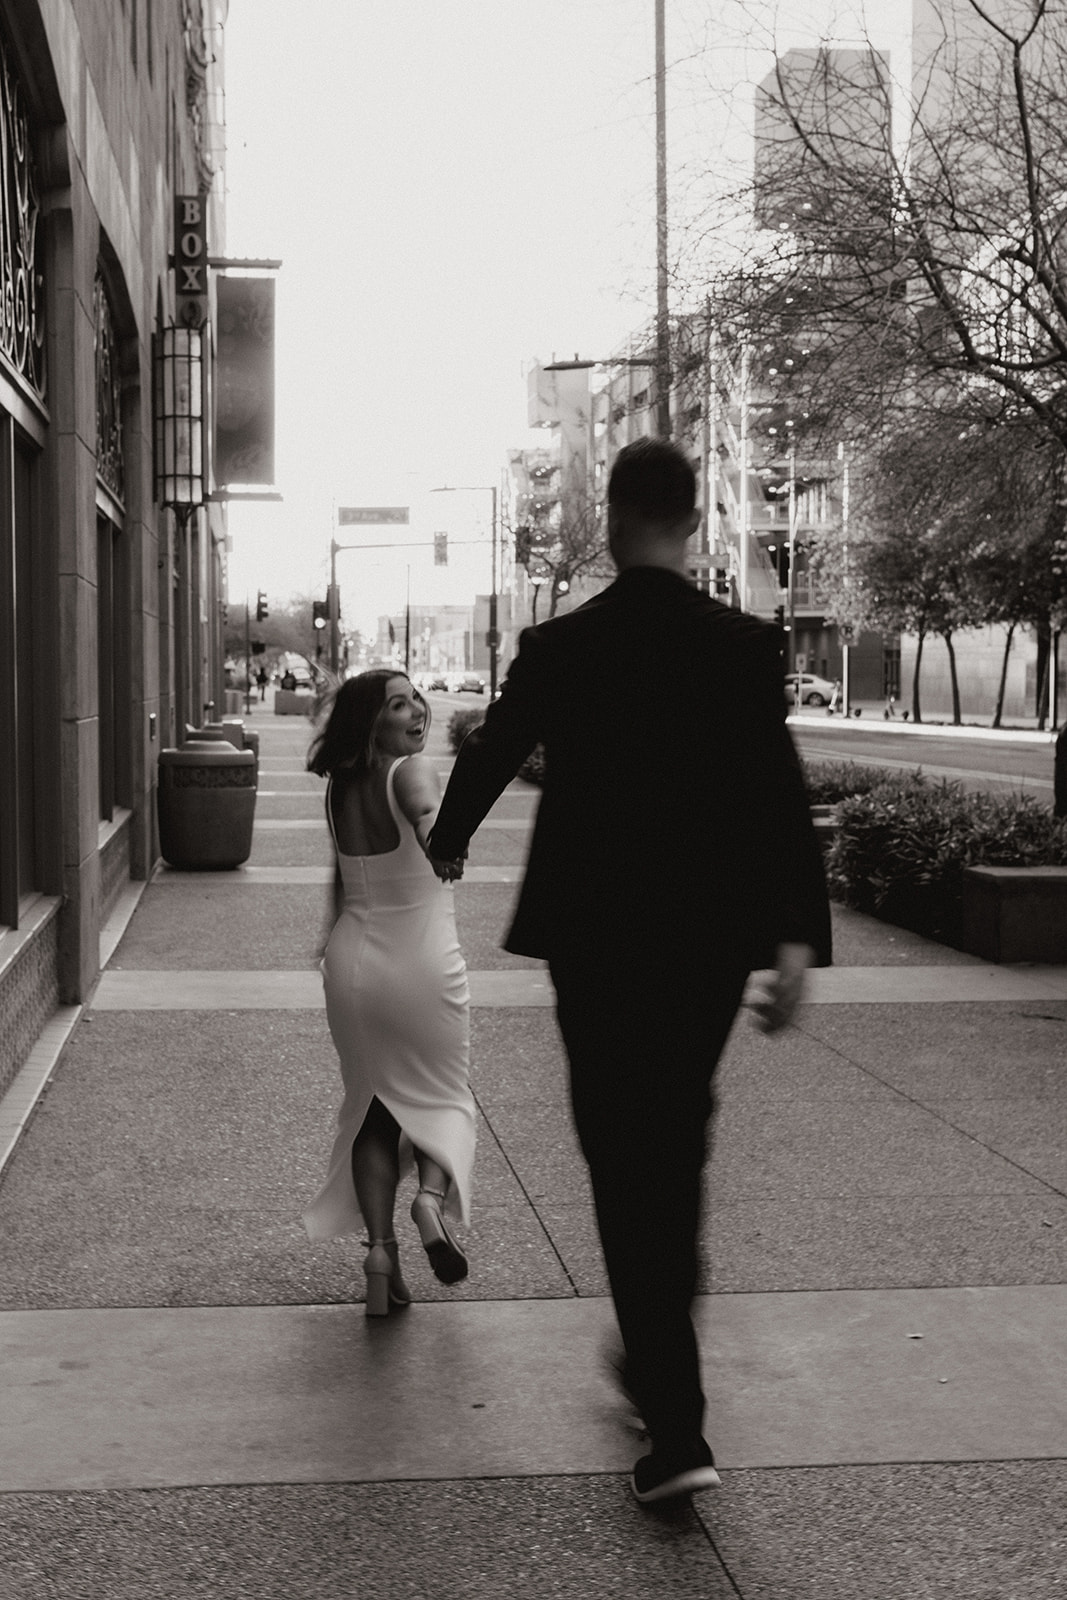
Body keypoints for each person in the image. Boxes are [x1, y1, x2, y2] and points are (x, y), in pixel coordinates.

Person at [428, 437, 831, 1505]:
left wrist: (445, 841)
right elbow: (773, 794)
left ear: (609, 520)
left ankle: (676, 1421)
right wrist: (792, 937)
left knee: (623, 1161)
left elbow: (493, 747)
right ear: (692, 521)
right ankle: (658, 1364)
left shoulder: (563, 646)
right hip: (703, 943)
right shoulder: (741, 646)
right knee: (676, 1142)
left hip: (598, 945)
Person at [303, 670, 476, 1316]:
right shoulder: (409, 771)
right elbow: (430, 821)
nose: (415, 710)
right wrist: (442, 848)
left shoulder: (340, 786)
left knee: (373, 1112)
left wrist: (327, 942)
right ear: (369, 722)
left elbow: (340, 878)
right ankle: (428, 1205)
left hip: (351, 964)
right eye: (396, 703)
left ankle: (379, 1254)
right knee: (444, 1095)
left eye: (414, 698)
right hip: (418, 961)